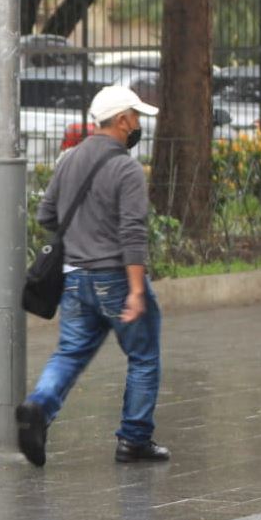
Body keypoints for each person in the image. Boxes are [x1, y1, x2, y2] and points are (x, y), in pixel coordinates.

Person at [16, 85, 169, 467]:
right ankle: (134, 440)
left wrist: (82, 234)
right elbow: (132, 232)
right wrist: (136, 290)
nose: (138, 125)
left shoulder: (69, 159)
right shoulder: (127, 169)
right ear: (122, 121)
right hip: (115, 278)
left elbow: (46, 215)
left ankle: (39, 406)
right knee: (144, 355)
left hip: (74, 279)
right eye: (136, 118)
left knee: (70, 353)